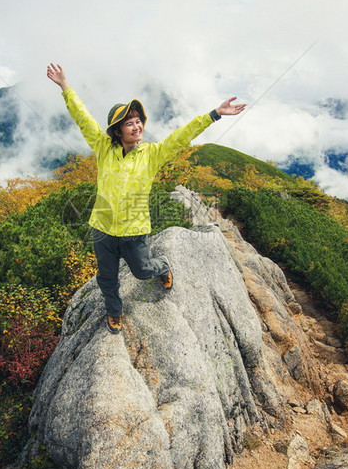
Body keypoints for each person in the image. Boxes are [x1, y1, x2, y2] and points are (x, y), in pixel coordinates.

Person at [46, 63, 246, 334]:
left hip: (133, 230)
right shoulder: (103, 147)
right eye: (129, 123)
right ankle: (114, 311)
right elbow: (83, 118)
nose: (137, 126)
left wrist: (213, 115)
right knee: (107, 278)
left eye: (138, 121)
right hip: (102, 229)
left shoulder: (152, 154)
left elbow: (180, 137)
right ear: (118, 131)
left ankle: (162, 267)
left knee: (141, 271)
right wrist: (65, 86)